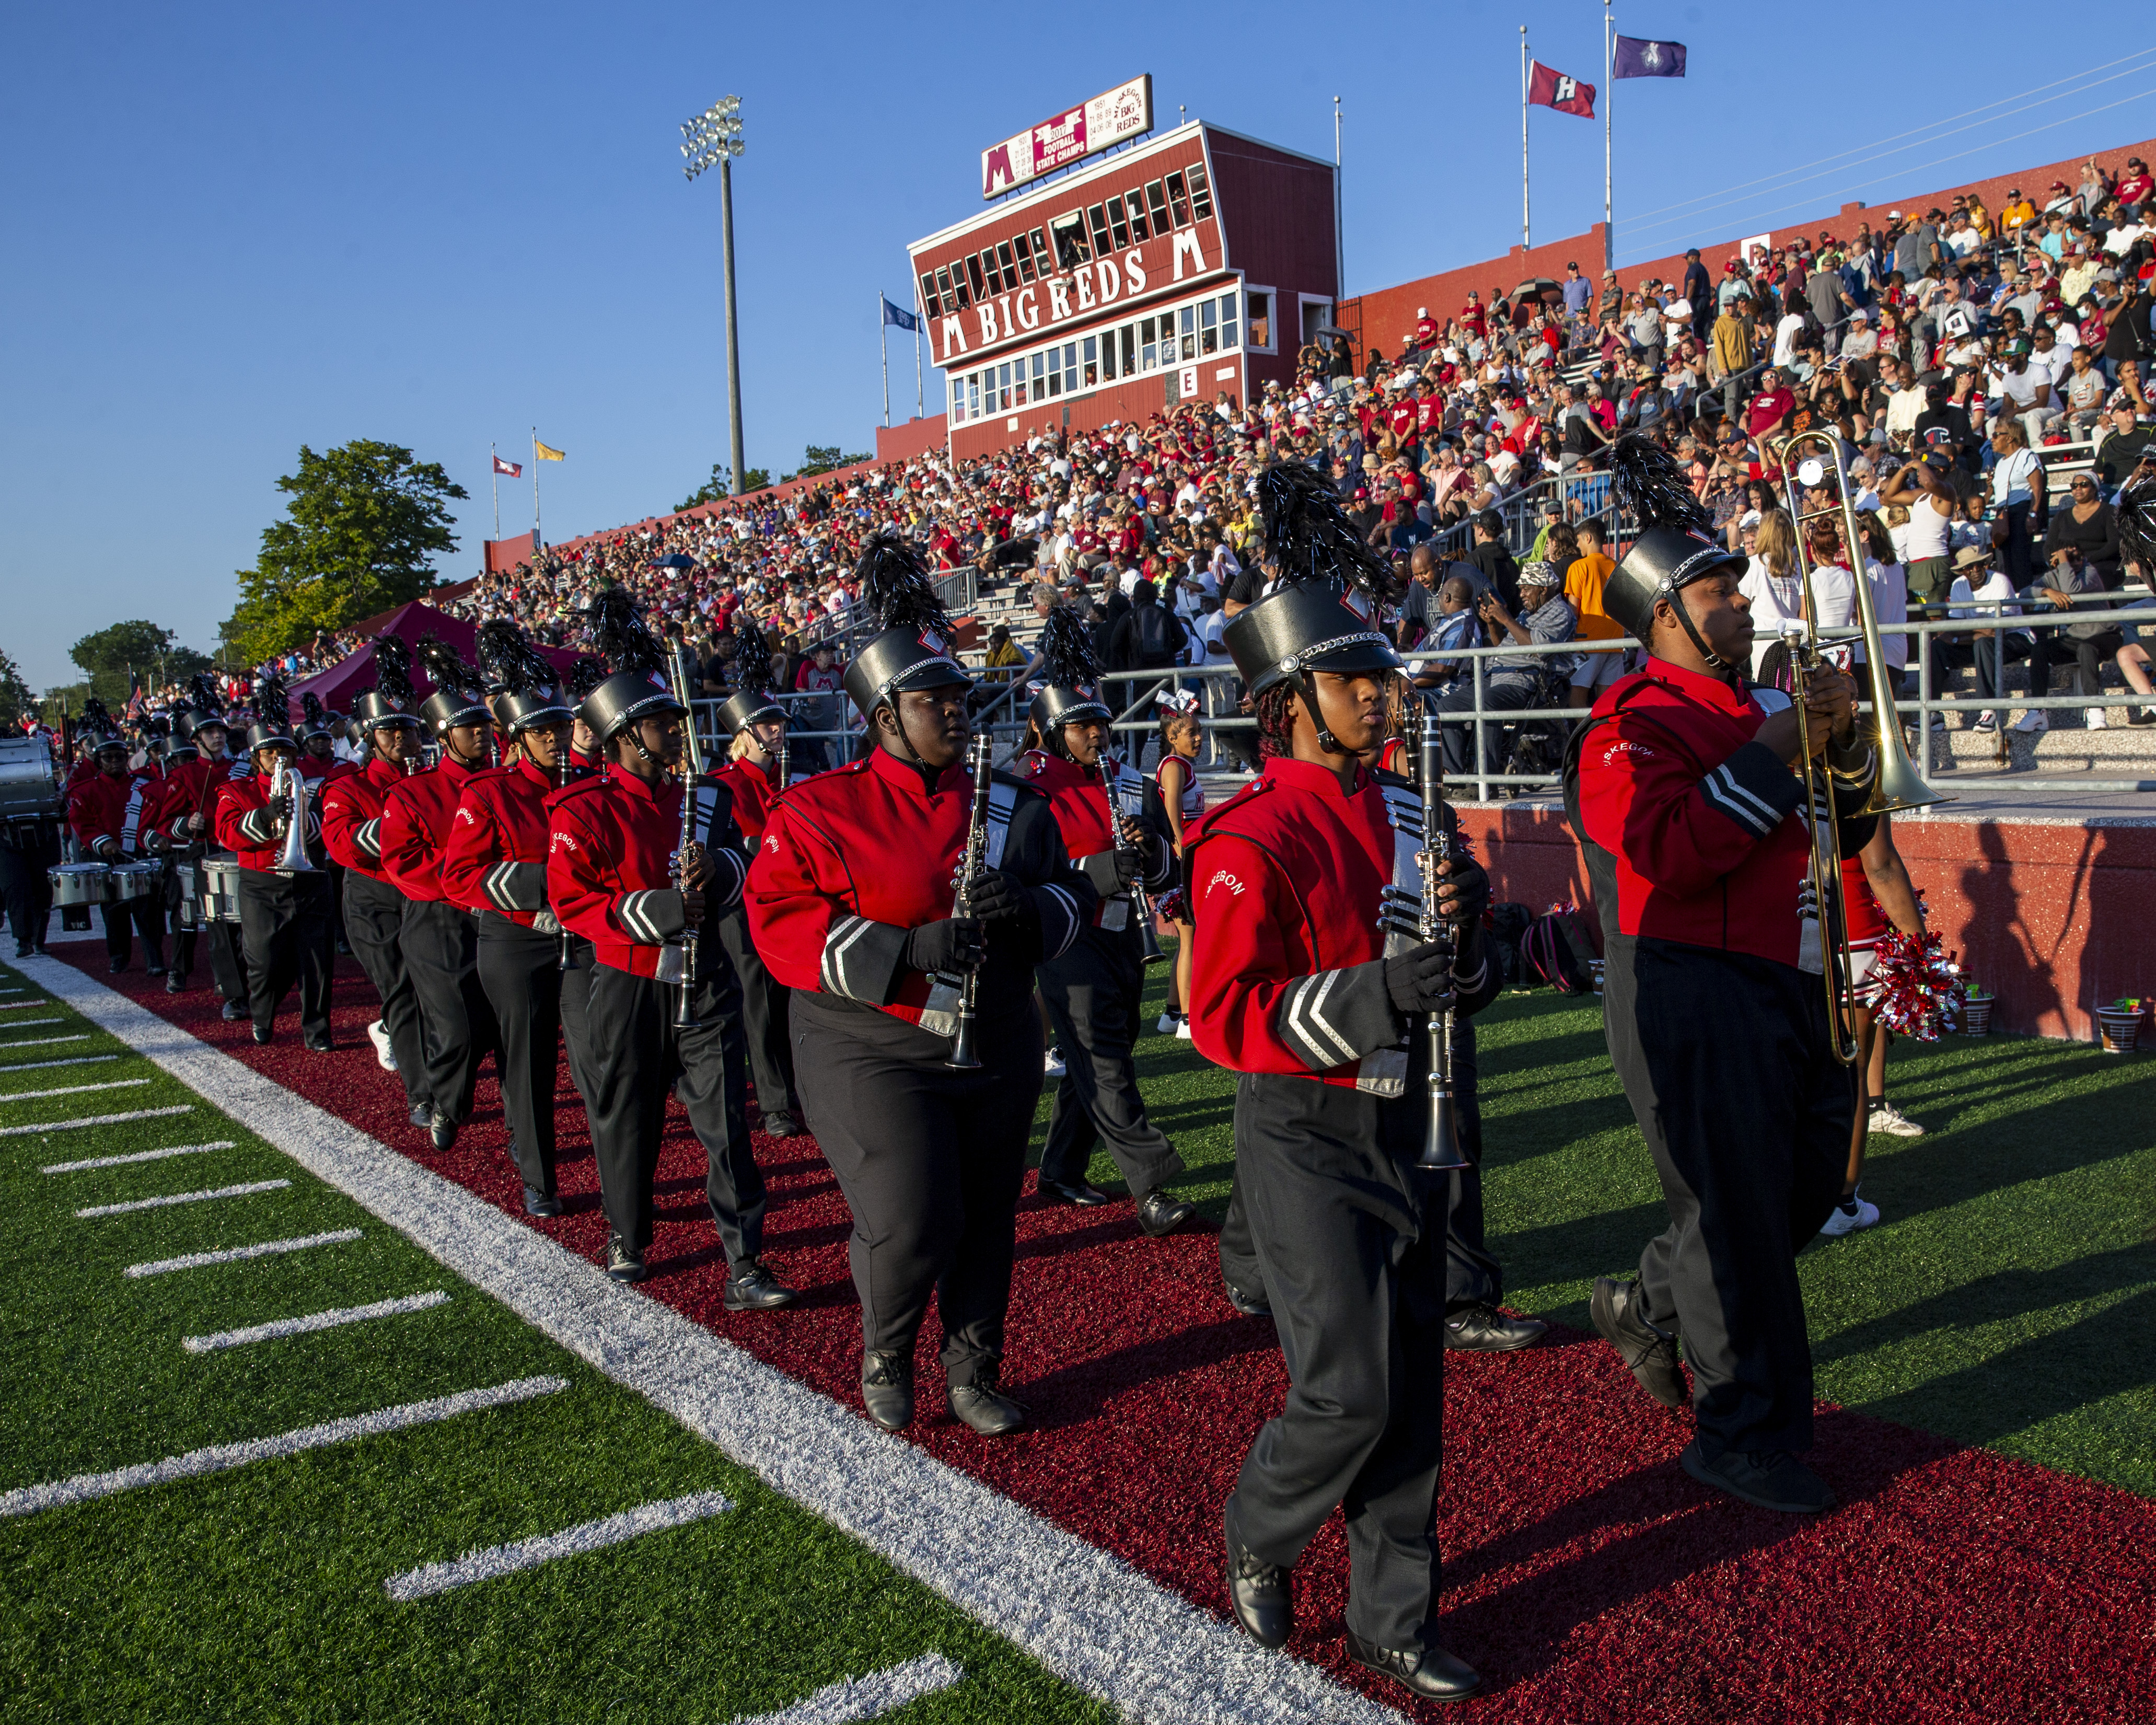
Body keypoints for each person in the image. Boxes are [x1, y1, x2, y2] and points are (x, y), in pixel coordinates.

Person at [1186, 462, 1498, 1704]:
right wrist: (1384, 992)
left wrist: (1500, 946)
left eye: (1383, 676)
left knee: (1411, 1388)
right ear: (1286, 701)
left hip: (1410, 1116)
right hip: (1306, 1132)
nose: (1381, 695)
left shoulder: (1411, 807)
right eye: (1353, 680)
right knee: (1350, 1385)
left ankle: (1390, 1617)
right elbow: (1221, 1018)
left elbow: (1445, 969)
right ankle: (1259, 1529)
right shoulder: (1250, 832)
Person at [1567, 434, 1879, 1516]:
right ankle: (1739, 1434)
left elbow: (1847, 827)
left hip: (1788, 977)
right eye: (1717, 592)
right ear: (1663, 615)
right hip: (1686, 986)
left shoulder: (1760, 710)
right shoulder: (1625, 724)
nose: (1743, 605)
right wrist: (1784, 743)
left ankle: (1646, 1308)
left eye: (1738, 589)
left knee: (1792, 1196)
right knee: (1737, 1215)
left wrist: (1838, 744)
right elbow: (1671, 850)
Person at [746, 536, 1096, 1437]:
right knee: (912, 1214)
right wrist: (909, 947)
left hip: (996, 1034)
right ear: (881, 714)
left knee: (986, 1215)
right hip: (869, 1038)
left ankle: (974, 1366)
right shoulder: (819, 807)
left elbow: (1071, 902)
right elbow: (778, 924)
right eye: (931, 698)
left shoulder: (1015, 802)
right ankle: (887, 1346)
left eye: (956, 695)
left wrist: (1021, 906)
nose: (954, 709)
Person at [549, 589, 789, 1303]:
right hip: (627, 982)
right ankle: (628, 1235)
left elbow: (748, 866)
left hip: (706, 977)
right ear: (624, 735)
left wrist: (717, 870)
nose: (676, 735)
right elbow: (571, 900)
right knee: (629, 1119)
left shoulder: (705, 798)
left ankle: (745, 1262)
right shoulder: (582, 808)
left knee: (727, 1128)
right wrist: (657, 906)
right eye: (659, 724)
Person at [1018, 609, 1192, 1234]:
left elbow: (1167, 872)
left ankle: (1061, 1166)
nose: (1098, 734)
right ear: (1052, 732)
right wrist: (1098, 867)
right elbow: (1025, 870)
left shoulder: (1130, 782)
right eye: (1083, 725)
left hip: (1123, 931)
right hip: (1065, 933)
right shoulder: (1027, 787)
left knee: (1106, 1056)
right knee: (1103, 1059)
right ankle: (1152, 1185)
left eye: (1100, 723)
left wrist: (1152, 853)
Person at [440, 622, 587, 1218]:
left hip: (581, 938)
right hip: (517, 941)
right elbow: (458, 877)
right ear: (517, 739)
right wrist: (544, 890)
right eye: (542, 731)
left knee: (596, 1059)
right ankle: (539, 1176)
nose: (556, 739)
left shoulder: (588, 784)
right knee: (528, 1066)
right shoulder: (489, 792)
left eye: (560, 728)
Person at [381, 639, 503, 1152]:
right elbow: (404, 864)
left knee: (503, 1026)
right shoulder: (410, 792)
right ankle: (447, 1104)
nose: (481, 734)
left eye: (485, 725)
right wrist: (470, 884)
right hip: (436, 920)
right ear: (443, 734)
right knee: (458, 1026)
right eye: (469, 727)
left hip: (498, 917)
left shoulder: (505, 784)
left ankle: (521, 1126)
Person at [319, 636, 434, 1128]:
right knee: (403, 988)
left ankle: (395, 1033)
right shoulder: (346, 786)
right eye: (392, 731)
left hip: (424, 896)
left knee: (437, 991)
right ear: (371, 736)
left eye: (410, 729)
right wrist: (401, 826)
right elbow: (343, 845)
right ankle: (422, 1091)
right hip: (375, 899)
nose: (405, 739)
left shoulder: (430, 778)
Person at [710, 624, 805, 1141]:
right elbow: (725, 853)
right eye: (766, 725)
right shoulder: (723, 786)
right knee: (758, 1004)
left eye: (778, 723)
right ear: (743, 734)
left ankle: (796, 1088)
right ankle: (773, 1101)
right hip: (743, 911)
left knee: (794, 1001)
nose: (777, 731)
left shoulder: (790, 782)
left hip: (791, 904)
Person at [1822, 813, 1929, 1241]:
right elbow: (1880, 865)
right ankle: (1842, 1203)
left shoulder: (1767, 751)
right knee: (1850, 1079)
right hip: (1850, 935)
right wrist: (1921, 952)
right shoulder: (1856, 770)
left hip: (1777, 933)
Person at [213, 678, 334, 1049]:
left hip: (310, 881)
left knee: (317, 963)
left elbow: (327, 829)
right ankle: (262, 1017)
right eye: (270, 753)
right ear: (255, 759)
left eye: (286, 752)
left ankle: (317, 1031)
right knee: (265, 960)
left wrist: (299, 815)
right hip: (261, 884)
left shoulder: (313, 787)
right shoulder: (236, 792)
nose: (280, 759)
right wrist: (266, 816)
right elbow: (227, 834)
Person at [65, 716, 167, 977]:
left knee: (147, 911)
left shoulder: (143, 785)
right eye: (108, 758)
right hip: (106, 857)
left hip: (138, 854)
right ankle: (119, 957)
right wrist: (103, 842)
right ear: (99, 761)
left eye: (119, 757)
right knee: (113, 912)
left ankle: (154, 958)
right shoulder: (84, 790)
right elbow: (82, 824)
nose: (114, 763)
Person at [1150, 692, 1205, 1039]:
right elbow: (1171, 814)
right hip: (1179, 863)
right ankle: (1187, 1018)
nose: (1198, 738)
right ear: (1172, 737)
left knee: (1189, 938)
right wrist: (1181, 847)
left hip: (1186, 859)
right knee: (1191, 939)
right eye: (1191, 733)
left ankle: (1172, 1013)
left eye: (1200, 731)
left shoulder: (1183, 765)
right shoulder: (1173, 766)